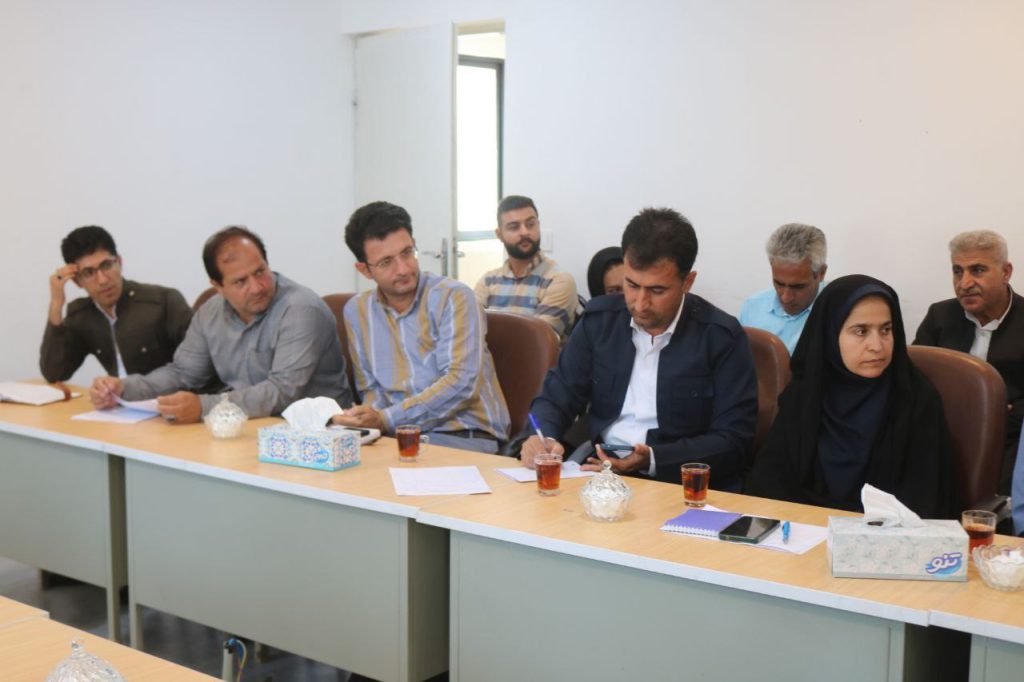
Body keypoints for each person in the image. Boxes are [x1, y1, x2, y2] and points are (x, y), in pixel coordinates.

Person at [521, 207, 757, 490]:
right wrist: (543, 437)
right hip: (601, 475)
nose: (640, 303)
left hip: (681, 483)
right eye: (631, 285)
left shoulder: (721, 337)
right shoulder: (599, 321)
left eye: (657, 290)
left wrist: (653, 459)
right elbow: (557, 396)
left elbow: (733, 440)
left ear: (687, 282)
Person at [89, 226, 352, 422]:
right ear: (218, 286)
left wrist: (204, 407)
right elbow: (183, 373)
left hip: (319, 432)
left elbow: (281, 393)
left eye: (260, 271)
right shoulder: (210, 312)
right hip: (248, 428)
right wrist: (124, 388)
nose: (256, 287)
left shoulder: (300, 309)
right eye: (240, 281)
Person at [747, 275, 957, 519]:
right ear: (830, 333)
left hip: (886, 535)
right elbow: (768, 484)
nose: (876, 346)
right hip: (805, 530)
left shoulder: (916, 399)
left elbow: (922, 500)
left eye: (886, 330)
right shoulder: (804, 395)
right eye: (861, 331)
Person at [336, 201, 510, 454]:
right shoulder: (357, 311)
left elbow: (461, 385)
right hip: (395, 437)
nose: (403, 268)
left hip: (464, 436)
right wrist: (369, 418)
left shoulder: (454, 298)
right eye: (386, 262)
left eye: (407, 253)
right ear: (364, 270)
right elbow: (370, 388)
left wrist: (386, 419)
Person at [914, 230, 1022, 493]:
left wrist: (1004, 413)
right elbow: (912, 381)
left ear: (1006, 272)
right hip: (946, 435)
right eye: (957, 271)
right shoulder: (940, 316)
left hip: (1012, 442)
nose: (965, 283)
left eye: (978, 270)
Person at [40, 225, 192, 382]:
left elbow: (199, 366)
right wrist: (56, 304)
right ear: (77, 281)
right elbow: (54, 373)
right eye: (89, 273)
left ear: (119, 262)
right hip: (116, 398)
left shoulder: (163, 302)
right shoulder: (82, 315)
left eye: (106, 265)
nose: (102, 280)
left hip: (169, 395)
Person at [474, 195, 578, 340]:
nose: (524, 232)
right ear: (499, 234)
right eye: (514, 227)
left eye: (530, 224)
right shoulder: (488, 281)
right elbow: (470, 330)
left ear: (538, 225)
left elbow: (539, 341)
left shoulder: (559, 280)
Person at [739, 223, 827, 354]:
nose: (786, 298)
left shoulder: (839, 312)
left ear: (821, 273)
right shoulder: (752, 307)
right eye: (778, 283)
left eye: (798, 287)